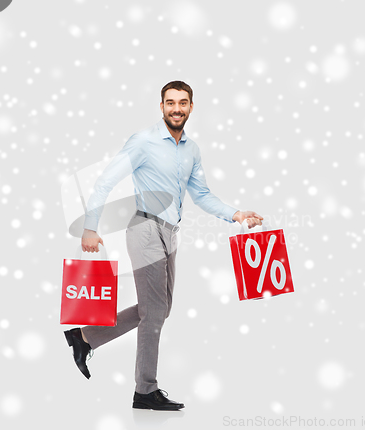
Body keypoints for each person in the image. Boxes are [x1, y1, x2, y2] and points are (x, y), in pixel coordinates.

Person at [64, 81, 263, 411]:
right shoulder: (143, 142)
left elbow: (201, 195)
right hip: (144, 227)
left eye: (183, 103)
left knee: (159, 309)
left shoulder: (192, 150)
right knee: (154, 312)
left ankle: (84, 338)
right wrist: (89, 228)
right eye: (170, 102)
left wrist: (236, 214)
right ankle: (145, 390)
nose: (176, 108)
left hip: (171, 233)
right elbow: (105, 182)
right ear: (161, 106)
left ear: (191, 107)